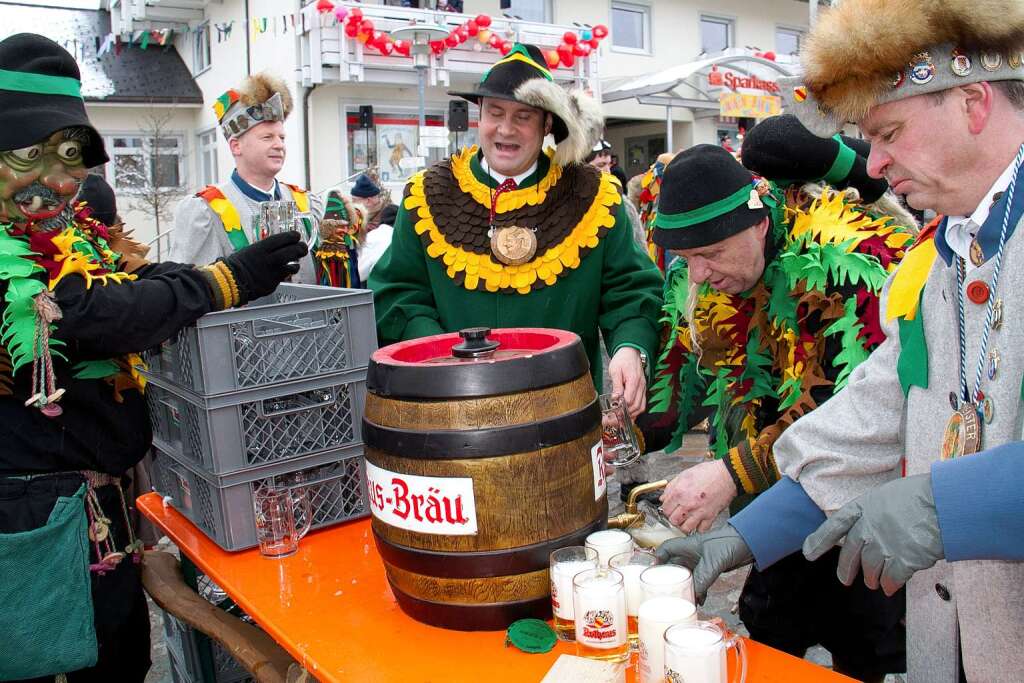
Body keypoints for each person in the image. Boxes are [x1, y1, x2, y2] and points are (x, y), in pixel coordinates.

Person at [655, 1, 1024, 680]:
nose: (874, 165)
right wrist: (743, 535)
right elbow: (872, 416)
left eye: (888, 132)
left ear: (973, 103)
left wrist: (949, 504)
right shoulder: (945, 253)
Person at [0, 34, 307, 682]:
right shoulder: (9, 242)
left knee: (120, 662)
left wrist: (226, 274)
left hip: (95, 510)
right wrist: (222, 281)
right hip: (31, 519)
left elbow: (124, 278)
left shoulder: (63, 223)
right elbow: (90, 310)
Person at [643, 140, 915, 681]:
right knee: (773, 629)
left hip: (861, 501)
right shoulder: (710, 279)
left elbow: (842, 415)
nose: (697, 274)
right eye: (686, 259)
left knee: (864, 647)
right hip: (776, 506)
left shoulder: (844, 264)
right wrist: (621, 427)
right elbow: (693, 380)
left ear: (759, 226)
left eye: (710, 255)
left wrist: (729, 471)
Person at [369, 44, 662, 406]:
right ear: (479, 115)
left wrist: (631, 348)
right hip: (454, 407)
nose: (505, 129)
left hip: (565, 408)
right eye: (495, 113)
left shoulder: (594, 195)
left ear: (547, 124)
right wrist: (440, 356)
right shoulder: (427, 194)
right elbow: (399, 293)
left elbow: (632, 291)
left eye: (523, 116)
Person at [169, 73, 323, 282]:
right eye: (267, 137)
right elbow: (189, 290)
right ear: (236, 146)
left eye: (282, 137)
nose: (279, 145)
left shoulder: (304, 201)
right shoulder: (205, 210)